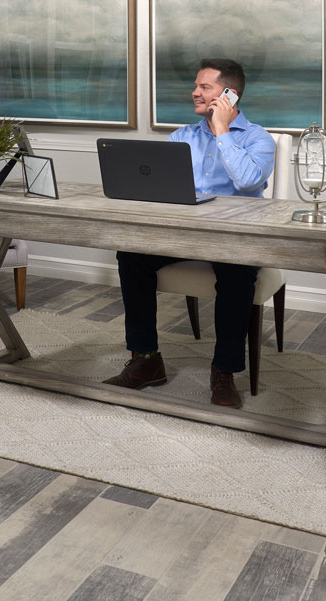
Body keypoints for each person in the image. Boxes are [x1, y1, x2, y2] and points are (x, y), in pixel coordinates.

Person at [104, 58, 276, 408]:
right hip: (183, 234)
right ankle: (146, 360)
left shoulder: (260, 139)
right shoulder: (181, 137)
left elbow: (247, 181)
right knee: (131, 254)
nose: (194, 92)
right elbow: (162, 187)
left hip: (234, 239)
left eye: (204, 87)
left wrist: (222, 131)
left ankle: (224, 372)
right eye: (195, 86)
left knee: (237, 272)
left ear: (230, 95)